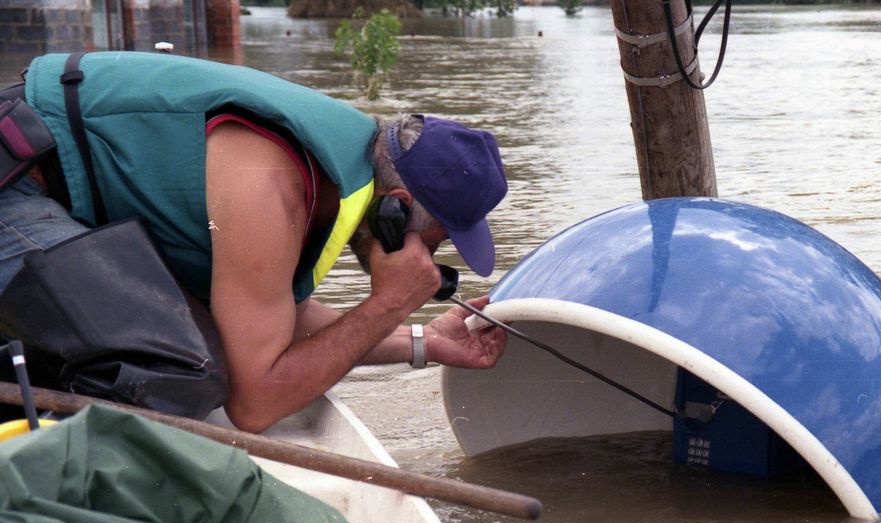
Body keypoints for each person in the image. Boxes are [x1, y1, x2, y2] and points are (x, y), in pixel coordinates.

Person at [0, 51, 508, 432]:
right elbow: (254, 404)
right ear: (395, 207)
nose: (428, 261)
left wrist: (423, 343)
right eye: (433, 242)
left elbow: (274, 323)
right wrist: (388, 303)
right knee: (181, 368)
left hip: (49, 195)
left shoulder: (331, 171)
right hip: (16, 184)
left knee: (198, 341)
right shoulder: (270, 186)